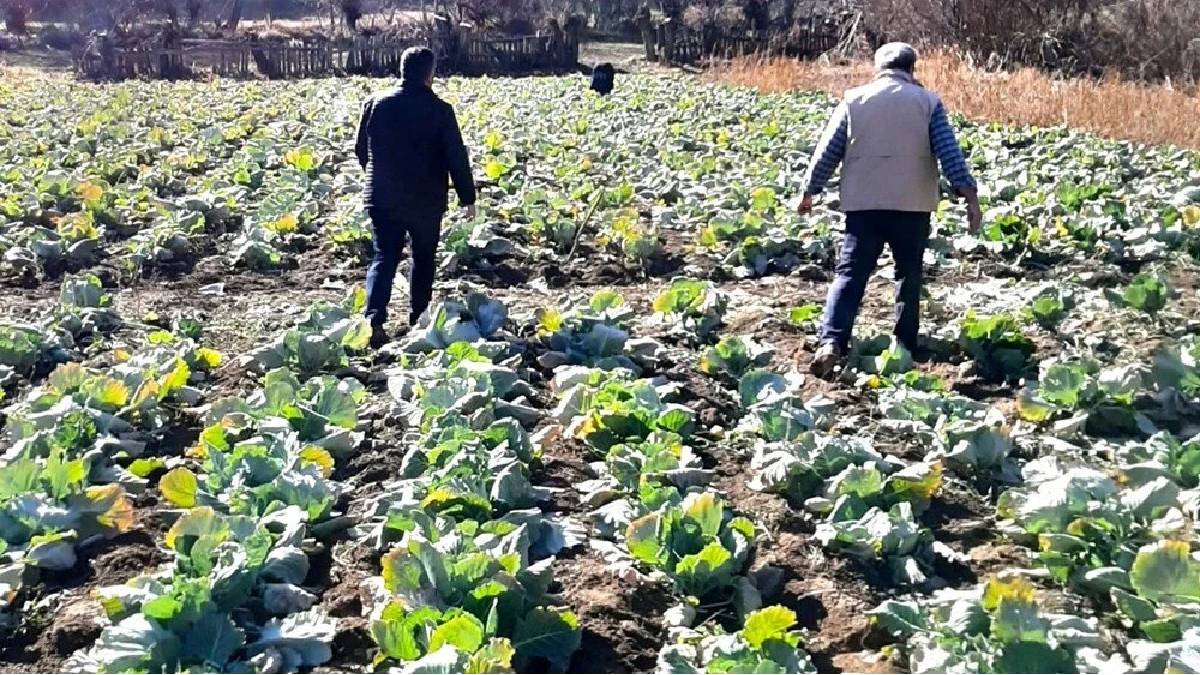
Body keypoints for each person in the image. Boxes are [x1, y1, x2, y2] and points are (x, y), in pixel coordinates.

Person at [798, 42, 983, 377]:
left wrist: (809, 190)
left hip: (863, 205)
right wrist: (969, 196)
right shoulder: (928, 103)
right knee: (908, 273)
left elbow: (827, 151)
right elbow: (949, 153)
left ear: (878, 68)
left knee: (851, 274)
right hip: (912, 206)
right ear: (912, 69)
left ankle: (832, 342)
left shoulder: (855, 100)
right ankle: (904, 344)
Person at [355, 46, 476, 348]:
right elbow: (455, 157)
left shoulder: (376, 103)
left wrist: (378, 175)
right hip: (426, 199)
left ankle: (374, 318)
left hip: (382, 196)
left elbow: (361, 149)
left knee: (384, 256)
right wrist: (467, 197)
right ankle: (417, 318)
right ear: (430, 74)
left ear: (402, 69)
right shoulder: (440, 110)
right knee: (422, 258)